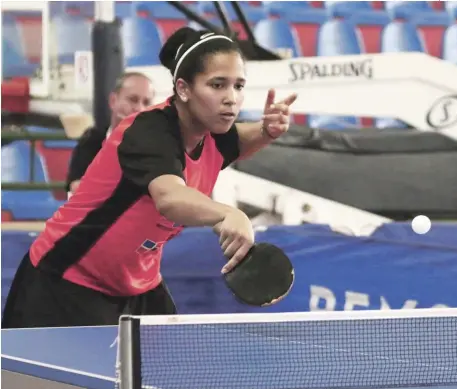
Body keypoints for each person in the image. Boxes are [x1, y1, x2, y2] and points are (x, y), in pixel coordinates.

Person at [1, 27, 297, 329]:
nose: (231, 99)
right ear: (183, 89)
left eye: (238, 86)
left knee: (166, 372)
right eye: (218, 85)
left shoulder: (212, 132)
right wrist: (228, 214)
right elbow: (169, 197)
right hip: (68, 281)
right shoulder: (148, 132)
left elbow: (239, 139)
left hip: (139, 285)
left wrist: (265, 131)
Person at [66, 72, 155, 195]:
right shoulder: (91, 141)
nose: (140, 108)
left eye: (146, 102)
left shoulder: (158, 147)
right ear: (113, 101)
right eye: (133, 100)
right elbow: (77, 188)